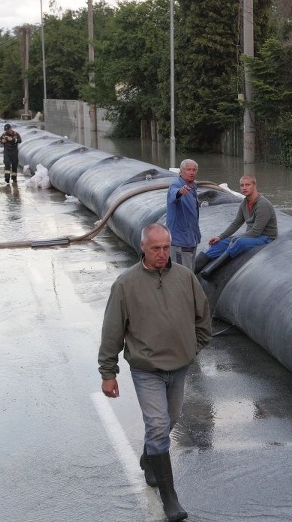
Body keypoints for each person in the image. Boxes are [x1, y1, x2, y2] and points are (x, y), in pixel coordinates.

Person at [99, 223, 211, 522]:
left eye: (166, 247)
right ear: (143, 249)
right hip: (147, 369)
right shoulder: (126, 284)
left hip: (179, 366)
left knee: (169, 420)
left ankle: (150, 457)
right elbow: (112, 331)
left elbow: (204, 317)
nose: (162, 254)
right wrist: (108, 372)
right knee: (159, 425)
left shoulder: (185, 278)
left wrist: (192, 347)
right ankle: (170, 499)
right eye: (155, 248)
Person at [193, 174, 277, 278]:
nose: (244, 188)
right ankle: (191, 271)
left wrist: (237, 238)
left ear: (254, 186)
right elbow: (236, 223)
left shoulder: (263, 204)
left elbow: (256, 231)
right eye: (242, 185)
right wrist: (220, 236)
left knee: (239, 242)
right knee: (218, 244)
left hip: (265, 237)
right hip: (251, 236)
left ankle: (211, 271)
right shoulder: (244, 203)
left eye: (247, 185)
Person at [166, 159, 201, 270]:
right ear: (181, 172)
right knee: (180, 276)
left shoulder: (193, 187)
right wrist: (180, 192)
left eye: (194, 170)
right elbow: (173, 195)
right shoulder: (176, 185)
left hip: (191, 239)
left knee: (189, 273)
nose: (191, 172)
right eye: (188, 170)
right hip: (179, 242)